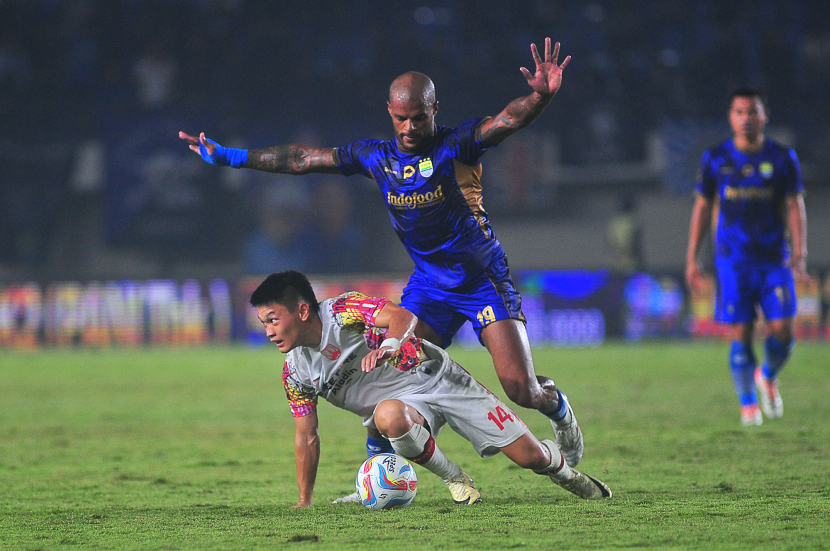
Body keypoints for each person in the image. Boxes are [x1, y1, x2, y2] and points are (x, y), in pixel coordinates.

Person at [180, 38, 584, 482]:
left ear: (435, 110)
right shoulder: (377, 157)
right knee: (386, 361)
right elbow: (302, 159)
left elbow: (506, 121)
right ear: (389, 112)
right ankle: (378, 473)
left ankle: (558, 410)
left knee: (520, 389)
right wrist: (232, 157)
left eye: (418, 117)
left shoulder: (457, 146)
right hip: (430, 286)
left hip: (482, 280)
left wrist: (540, 96)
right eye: (400, 118)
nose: (409, 127)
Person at [249, 270, 611, 507]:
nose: (268, 331)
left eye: (272, 319)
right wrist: (304, 501)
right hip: (402, 408)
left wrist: (388, 346)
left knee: (531, 459)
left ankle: (570, 475)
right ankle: (456, 479)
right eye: (263, 323)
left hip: (437, 377)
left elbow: (404, 317)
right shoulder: (295, 373)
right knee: (387, 415)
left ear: (301, 311)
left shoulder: (343, 312)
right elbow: (306, 437)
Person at [685, 87, 808, 427]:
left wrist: (800, 252)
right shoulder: (715, 159)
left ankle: (766, 375)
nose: (746, 119)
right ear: (730, 117)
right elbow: (702, 206)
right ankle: (749, 407)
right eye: (739, 112)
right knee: (741, 332)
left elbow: (794, 204)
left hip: (774, 260)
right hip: (732, 261)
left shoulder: (783, 158)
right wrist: (692, 257)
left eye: (752, 112)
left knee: (783, 329)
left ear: (764, 116)